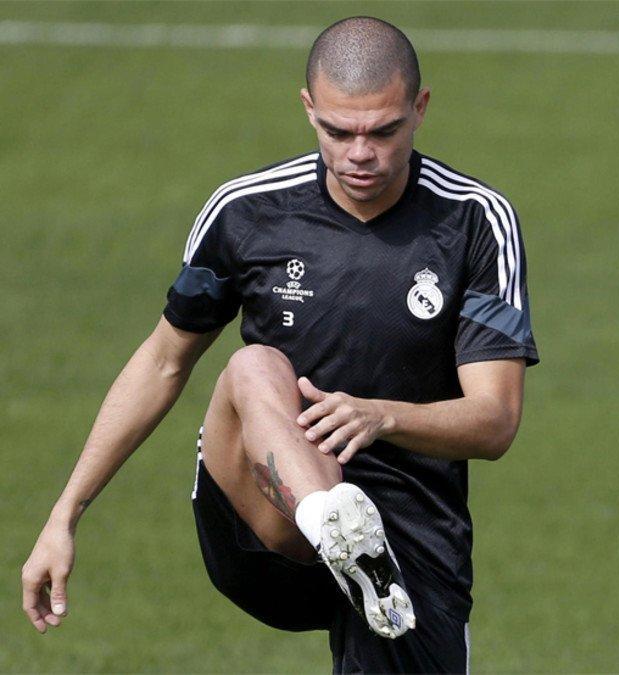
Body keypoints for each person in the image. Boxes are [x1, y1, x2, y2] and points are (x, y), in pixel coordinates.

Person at [20, 16, 537, 673]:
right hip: (266, 517)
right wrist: (64, 513)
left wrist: (381, 415)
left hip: (408, 532)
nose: (360, 153)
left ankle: (359, 549)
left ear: (421, 108)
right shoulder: (247, 211)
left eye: (383, 130)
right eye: (338, 130)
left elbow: (495, 421)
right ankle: (332, 521)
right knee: (252, 365)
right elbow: (161, 361)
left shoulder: (474, 221)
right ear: (308, 109)